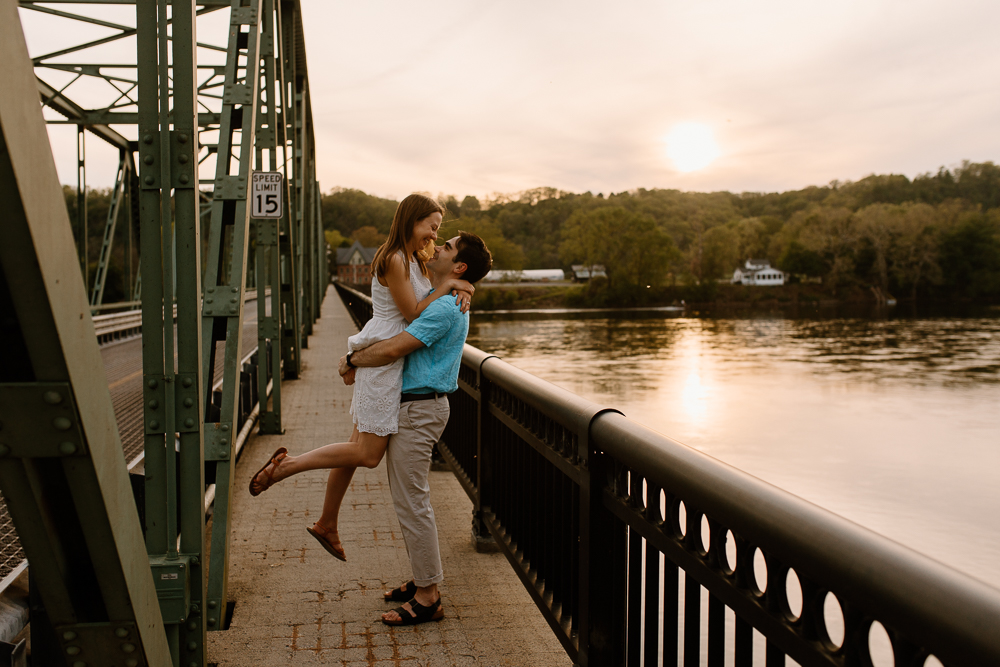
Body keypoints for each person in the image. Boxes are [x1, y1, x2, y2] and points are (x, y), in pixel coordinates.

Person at [248, 194, 473, 563]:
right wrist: (451, 287)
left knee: (355, 448)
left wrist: (463, 283)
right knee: (367, 454)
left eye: (438, 229)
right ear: (410, 220)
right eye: (430, 225)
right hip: (383, 359)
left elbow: (450, 272)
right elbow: (415, 312)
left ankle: (327, 522)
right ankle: (287, 466)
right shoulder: (395, 259)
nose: (435, 234)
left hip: (387, 359)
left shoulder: (415, 257)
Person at [337, 231, 492, 625]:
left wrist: (353, 359)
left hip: (420, 409)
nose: (439, 246)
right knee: (410, 501)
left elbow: (393, 348)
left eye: (448, 246)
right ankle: (424, 578)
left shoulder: (443, 309)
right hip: (417, 407)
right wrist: (458, 285)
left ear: (458, 265)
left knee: (413, 502)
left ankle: (428, 596)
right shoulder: (442, 294)